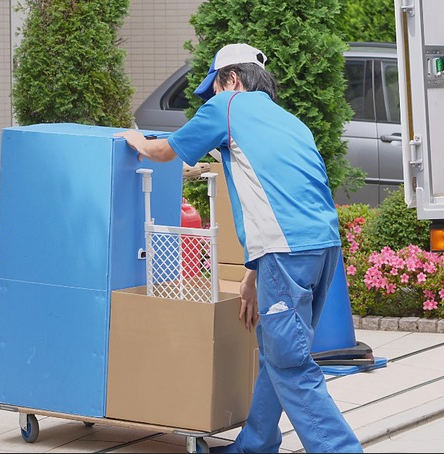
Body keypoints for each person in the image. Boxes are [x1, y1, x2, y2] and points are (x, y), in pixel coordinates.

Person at [115, 43, 363, 453]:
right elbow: (284, 199)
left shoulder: (228, 105)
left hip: (287, 253)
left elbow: (163, 151)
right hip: (322, 248)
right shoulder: (289, 121)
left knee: (292, 365)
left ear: (232, 79)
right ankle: (254, 447)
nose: (211, 97)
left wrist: (134, 138)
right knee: (275, 353)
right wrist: (254, 275)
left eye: (212, 87)